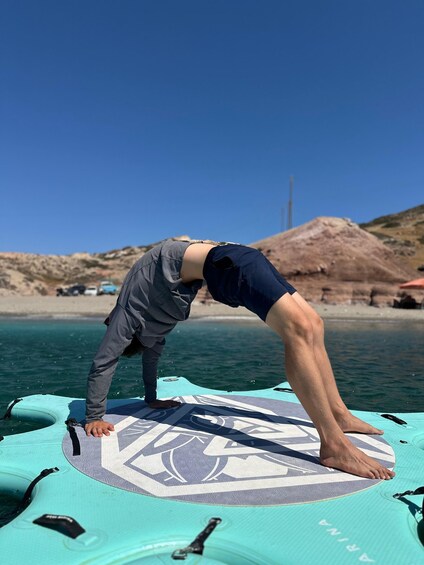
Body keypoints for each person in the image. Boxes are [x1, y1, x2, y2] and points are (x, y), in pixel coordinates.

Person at [85, 239, 395, 481]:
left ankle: (338, 414)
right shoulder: (143, 318)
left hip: (231, 260)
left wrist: (114, 409)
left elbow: (115, 359)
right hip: (229, 263)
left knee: (314, 324)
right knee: (299, 328)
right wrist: (124, 407)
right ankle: (333, 444)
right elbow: (131, 359)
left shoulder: (130, 310)